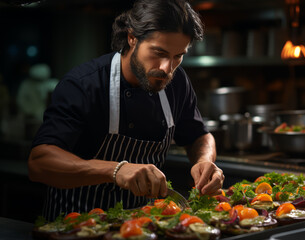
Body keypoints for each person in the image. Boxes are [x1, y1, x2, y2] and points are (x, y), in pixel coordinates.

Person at [28, 0, 224, 221]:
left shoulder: (176, 82)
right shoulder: (83, 85)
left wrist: (204, 161)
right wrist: (115, 170)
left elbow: (198, 135)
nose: (166, 68)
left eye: (178, 56)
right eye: (159, 52)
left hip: (142, 227)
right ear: (132, 37)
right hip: (77, 225)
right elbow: (40, 162)